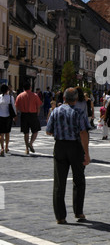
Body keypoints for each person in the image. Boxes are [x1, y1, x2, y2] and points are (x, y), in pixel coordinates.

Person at [46, 87, 91, 224]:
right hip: (75, 147)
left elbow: (48, 131)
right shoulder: (79, 112)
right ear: (76, 99)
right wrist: (87, 153)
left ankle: (60, 216)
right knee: (78, 180)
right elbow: (83, 133)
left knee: (59, 182)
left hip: (60, 146)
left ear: (64, 98)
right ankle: (78, 211)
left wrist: (60, 132)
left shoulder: (56, 111)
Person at [15, 82, 43, 154]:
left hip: (24, 115)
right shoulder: (35, 95)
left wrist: (16, 115)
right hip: (33, 115)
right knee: (35, 131)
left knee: (26, 132)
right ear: (30, 87)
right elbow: (38, 106)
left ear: (23, 88)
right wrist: (37, 114)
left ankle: (26, 149)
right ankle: (31, 143)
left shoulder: (20, 96)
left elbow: (16, 106)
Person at [0, 84, 17, 156]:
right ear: (7, 90)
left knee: (1, 133)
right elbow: (13, 107)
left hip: (0, 116)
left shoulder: (0, 97)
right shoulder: (10, 97)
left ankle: (2, 148)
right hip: (8, 117)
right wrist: (15, 115)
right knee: (7, 133)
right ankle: (7, 147)